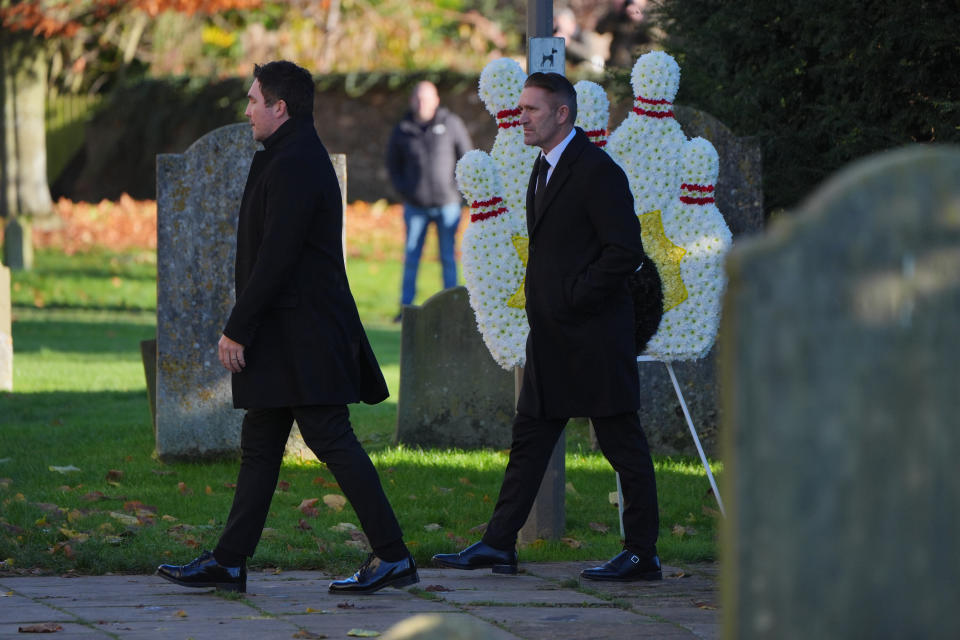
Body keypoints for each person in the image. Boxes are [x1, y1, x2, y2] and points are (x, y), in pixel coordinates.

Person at [156, 61, 418, 595]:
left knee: (331, 438)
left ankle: (393, 557)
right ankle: (229, 562)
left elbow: (277, 256)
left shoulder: (297, 161)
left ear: (281, 107)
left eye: (254, 100)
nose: (247, 110)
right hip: (289, 335)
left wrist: (237, 328)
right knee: (261, 441)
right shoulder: (286, 155)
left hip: (306, 335)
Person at [432, 73, 662, 582]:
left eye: (531, 109)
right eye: (519, 109)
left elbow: (624, 251)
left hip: (596, 336)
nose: (521, 118)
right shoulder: (543, 167)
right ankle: (498, 544)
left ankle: (642, 553)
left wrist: (573, 297)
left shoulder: (598, 171)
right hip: (553, 338)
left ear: (562, 114)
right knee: (530, 439)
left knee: (622, 442)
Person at [386, 81, 473, 321]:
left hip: (448, 205)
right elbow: (393, 164)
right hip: (415, 206)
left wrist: (455, 190)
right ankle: (406, 310)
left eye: (427, 98)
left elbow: (467, 157)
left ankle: (452, 308)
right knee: (412, 257)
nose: (422, 103)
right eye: (418, 98)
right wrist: (406, 191)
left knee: (448, 258)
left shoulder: (451, 124)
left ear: (436, 100)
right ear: (412, 100)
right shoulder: (403, 128)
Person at [596, 0, 652, 69]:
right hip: (615, 64)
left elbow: (656, 37)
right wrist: (615, 12)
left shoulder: (651, 8)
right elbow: (599, 30)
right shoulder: (616, 12)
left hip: (640, 65)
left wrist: (640, 19)